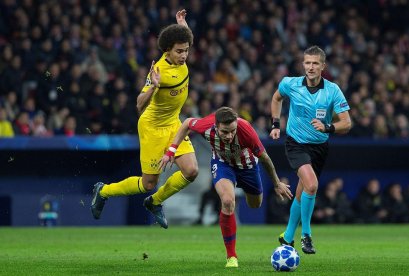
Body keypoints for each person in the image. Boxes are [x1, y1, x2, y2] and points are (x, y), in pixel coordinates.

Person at [91, 10, 198, 229]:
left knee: (191, 171)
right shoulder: (159, 71)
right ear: (167, 50)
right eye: (180, 51)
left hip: (173, 124)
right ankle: (103, 191)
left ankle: (155, 202)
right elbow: (139, 104)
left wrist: (182, 24)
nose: (184, 55)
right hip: (152, 127)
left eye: (186, 50)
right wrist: (154, 87)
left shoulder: (180, 52)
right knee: (149, 182)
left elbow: (185, 38)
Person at [159, 106, 292, 268]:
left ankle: (245, 189)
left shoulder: (246, 130)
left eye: (232, 131)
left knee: (255, 204)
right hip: (223, 165)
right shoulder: (205, 125)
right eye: (225, 132)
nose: (229, 136)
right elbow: (186, 123)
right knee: (228, 201)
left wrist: (277, 183)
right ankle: (231, 256)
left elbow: (265, 158)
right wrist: (171, 151)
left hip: (248, 167)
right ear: (216, 126)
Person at [269, 45, 352, 254]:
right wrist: (275, 124)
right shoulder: (291, 84)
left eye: (315, 63)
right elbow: (276, 98)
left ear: (323, 66)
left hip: (319, 147)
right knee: (312, 185)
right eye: (307, 63)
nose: (311, 67)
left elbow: (347, 123)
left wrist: (328, 127)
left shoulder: (333, 90)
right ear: (303, 64)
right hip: (296, 143)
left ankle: (288, 237)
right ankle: (306, 234)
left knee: (302, 192)